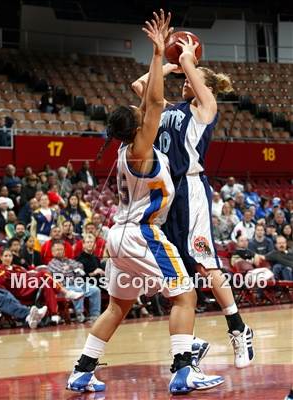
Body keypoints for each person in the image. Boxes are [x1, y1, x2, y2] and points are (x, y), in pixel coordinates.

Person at [67, 11, 223, 394]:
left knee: (117, 307)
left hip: (118, 237)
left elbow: (150, 102)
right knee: (185, 294)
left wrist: (166, 63)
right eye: (141, 117)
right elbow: (153, 101)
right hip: (141, 234)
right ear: (137, 127)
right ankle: (184, 370)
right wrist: (158, 54)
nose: (145, 115)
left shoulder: (126, 149)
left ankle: (82, 370)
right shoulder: (141, 148)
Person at [132, 12, 254, 369]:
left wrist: (187, 58)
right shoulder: (171, 109)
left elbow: (189, 64)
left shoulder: (206, 109)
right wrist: (167, 64)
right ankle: (190, 344)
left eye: (192, 78)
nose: (186, 79)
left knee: (205, 263)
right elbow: (140, 86)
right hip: (168, 194)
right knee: (177, 274)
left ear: (204, 85)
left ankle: (238, 328)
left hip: (193, 190)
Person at [48, 241, 101, 323]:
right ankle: (79, 314)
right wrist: (73, 270)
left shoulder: (69, 261)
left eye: (61, 249)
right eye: (57, 250)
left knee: (95, 290)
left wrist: (70, 267)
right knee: (78, 290)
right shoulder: (52, 263)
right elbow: (62, 272)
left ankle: (95, 315)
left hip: (78, 283)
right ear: (52, 252)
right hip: (64, 287)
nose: (59, 251)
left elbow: (81, 266)